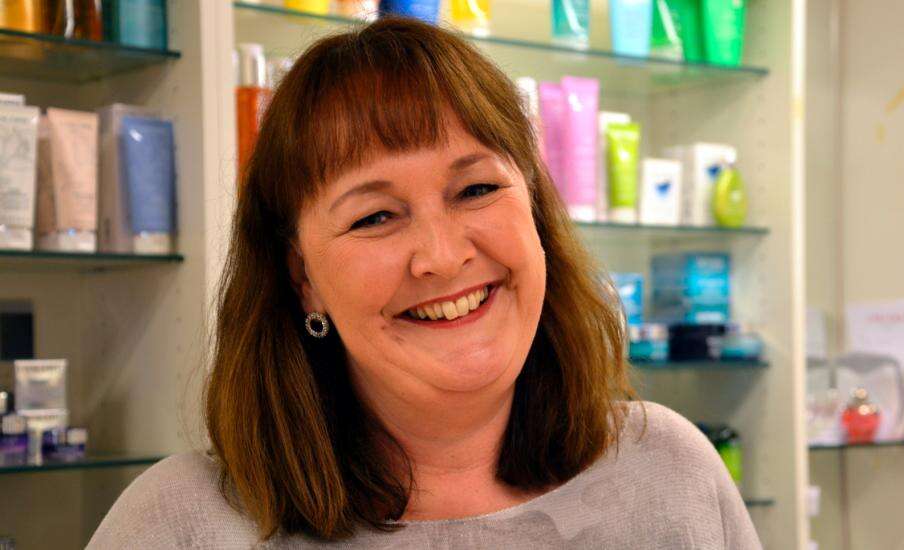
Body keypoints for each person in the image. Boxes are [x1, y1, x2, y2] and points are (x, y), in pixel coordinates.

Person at [88, 16, 761, 549]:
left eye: (476, 189)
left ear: (536, 211)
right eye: (375, 216)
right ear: (303, 279)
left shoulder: (670, 472)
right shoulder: (181, 525)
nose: (440, 257)